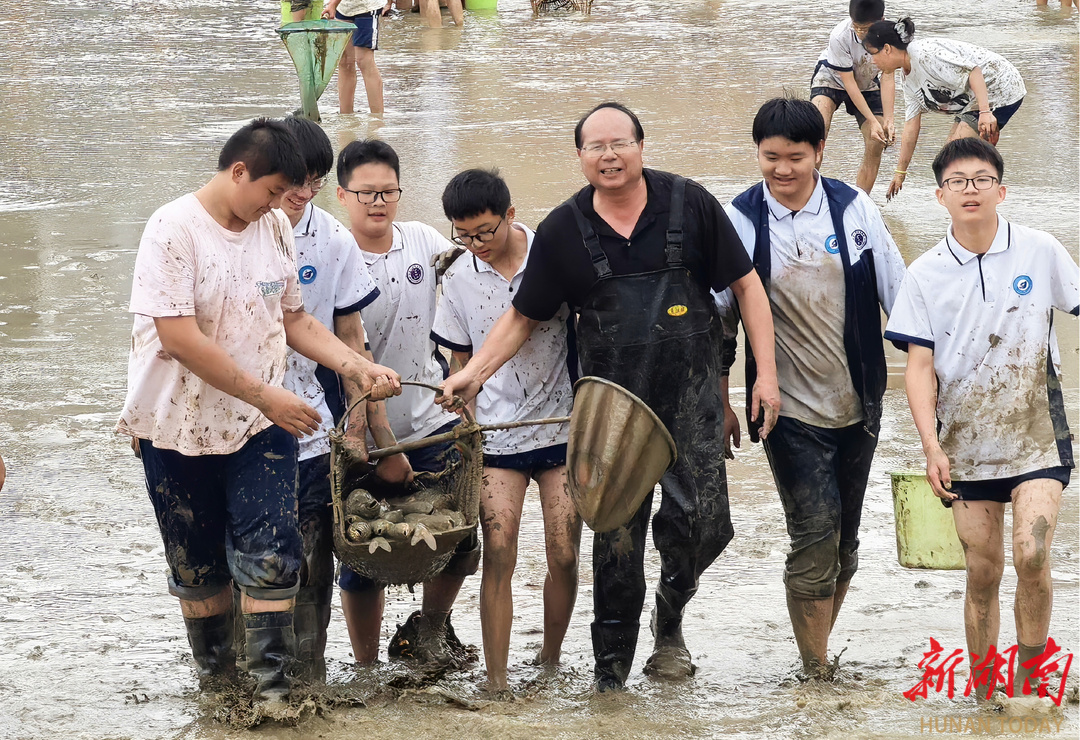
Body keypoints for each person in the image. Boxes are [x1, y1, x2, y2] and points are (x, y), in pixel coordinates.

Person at [437, 102, 781, 692]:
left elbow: (746, 287)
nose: (609, 155)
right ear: (579, 158)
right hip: (610, 412)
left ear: (641, 147)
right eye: (595, 147)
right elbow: (523, 316)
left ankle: (669, 623)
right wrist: (475, 375)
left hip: (689, 401)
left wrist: (763, 376)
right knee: (616, 542)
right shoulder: (564, 230)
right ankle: (611, 676)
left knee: (704, 526)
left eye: (619, 143)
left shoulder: (690, 203)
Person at [116, 119, 400, 703]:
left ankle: (272, 697)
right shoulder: (173, 229)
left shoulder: (272, 228)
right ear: (239, 171)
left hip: (260, 427)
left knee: (272, 556)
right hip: (176, 424)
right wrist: (268, 394)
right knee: (198, 569)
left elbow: (293, 319)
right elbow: (178, 338)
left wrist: (356, 368)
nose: (279, 206)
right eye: (272, 191)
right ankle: (220, 690)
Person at [718, 97, 907, 680]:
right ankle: (815, 669)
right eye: (769, 157)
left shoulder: (855, 212)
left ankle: (820, 652)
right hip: (785, 409)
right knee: (814, 535)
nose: (781, 169)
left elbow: (901, 302)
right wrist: (720, 397)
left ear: (820, 152)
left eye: (794, 157)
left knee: (846, 545)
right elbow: (717, 315)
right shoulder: (741, 218)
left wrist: (939, 384)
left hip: (860, 403)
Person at [884, 137, 1078, 698]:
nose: (971, 190)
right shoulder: (923, 275)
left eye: (982, 179)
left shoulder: (1039, 250)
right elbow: (918, 369)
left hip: (1039, 430)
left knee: (1032, 553)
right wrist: (930, 447)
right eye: (958, 182)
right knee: (984, 571)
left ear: (1001, 189)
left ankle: (1033, 676)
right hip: (965, 441)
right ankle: (987, 690)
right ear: (940, 196)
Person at [431, 169, 581, 692]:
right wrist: (462, 407)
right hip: (497, 436)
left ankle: (550, 659)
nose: (475, 245)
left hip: (561, 426)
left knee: (564, 551)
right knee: (498, 550)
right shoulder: (457, 280)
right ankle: (496, 681)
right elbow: (461, 358)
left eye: (484, 232)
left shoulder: (552, 257)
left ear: (510, 216)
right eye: (463, 236)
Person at [276, 115, 413, 681]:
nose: (300, 195)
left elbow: (351, 335)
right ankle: (244, 678)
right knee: (245, 560)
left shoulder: (331, 238)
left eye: (313, 181)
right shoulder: (232, 228)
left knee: (311, 560)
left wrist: (362, 429)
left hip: (309, 425)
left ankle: (307, 681)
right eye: (292, 182)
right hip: (232, 425)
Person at [334, 138, 480, 665]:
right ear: (341, 195)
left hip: (429, 420)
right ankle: (366, 664)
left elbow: (477, 283)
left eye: (388, 192)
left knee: (459, 535)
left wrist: (467, 376)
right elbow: (347, 348)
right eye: (366, 193)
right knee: (361, 547)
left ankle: (429, 631)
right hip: (357, 432)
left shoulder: (421, 239)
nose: (378, 202)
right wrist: (377, 441)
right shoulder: (334, 252)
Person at [861, 18, 1026, 201]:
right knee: (947, 158)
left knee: (953, 160)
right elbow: (911, 125)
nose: (872, 61)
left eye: (872, 54)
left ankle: (977, 202)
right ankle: (969, 199)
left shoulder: (926, 55)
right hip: (973, 101)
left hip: (1000, 87)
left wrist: (986, 113)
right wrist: (900, 172)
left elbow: (974, 72)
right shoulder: (908, 80)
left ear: (887, 49)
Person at [810, 0, 895, 193]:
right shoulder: (840, 36)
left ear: (881, 20)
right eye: (856, 26)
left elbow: (888, 75)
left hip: (867, 81)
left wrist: (888, 119)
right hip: (832, 78)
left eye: (865, 29)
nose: (859, 32)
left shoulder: (889, 37)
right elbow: (849, 84)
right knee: (815, 132)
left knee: (877, 140)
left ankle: (861, 200)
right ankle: (808, 191)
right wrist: (872, 120)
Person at [322, 0, 392, 115]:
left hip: (366, 7)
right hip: (342, 8)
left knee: (364, 60)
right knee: (344, 61)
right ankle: (345, 116)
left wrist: (333, 4)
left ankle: (377, 118)